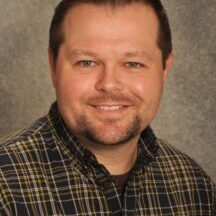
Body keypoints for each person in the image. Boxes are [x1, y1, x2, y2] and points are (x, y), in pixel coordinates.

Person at [0, 0, 215, 215]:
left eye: (133, 64)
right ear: (53, 66)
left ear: (164, 67)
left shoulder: (196, 188)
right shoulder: (5, 188)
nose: (109, 84)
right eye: (87, 62)